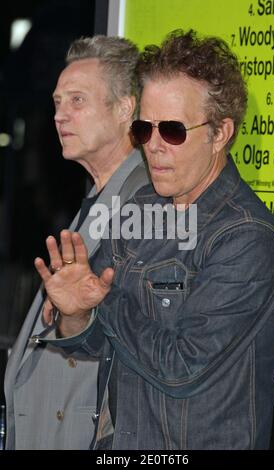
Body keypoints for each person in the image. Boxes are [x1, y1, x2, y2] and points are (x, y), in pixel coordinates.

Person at [27, 29, 274, 450]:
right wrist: (74, 313)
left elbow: (181, 368)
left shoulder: (248, 238)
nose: (154, 146)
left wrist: (99, 300)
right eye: (144, 129)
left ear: (220, 133)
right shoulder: (140, 206)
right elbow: (100, 341)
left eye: (173, 130)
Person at [4, 35, 149, 450]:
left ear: (125, 109)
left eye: (77, 101)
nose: (59, 116)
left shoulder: (144, 203)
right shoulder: (100, 197)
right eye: (56, 102)